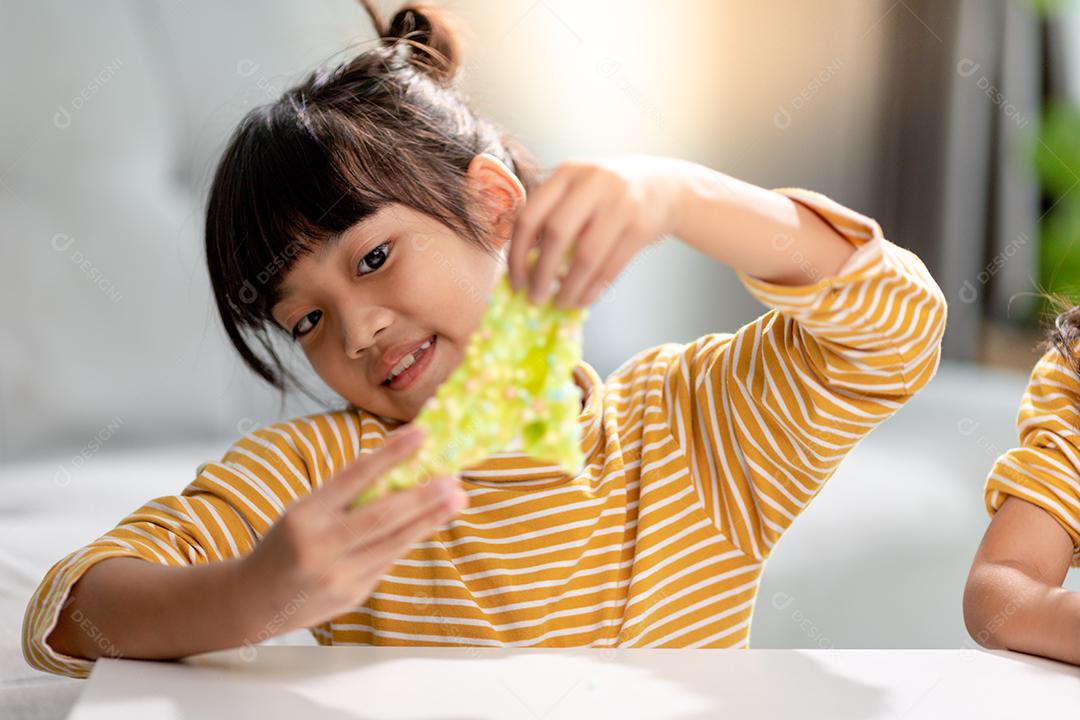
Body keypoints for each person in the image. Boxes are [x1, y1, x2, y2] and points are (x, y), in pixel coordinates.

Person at [24, 0, 946, 679]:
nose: (358, 327)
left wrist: (680, 195)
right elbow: (72, 613)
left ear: (494, 203)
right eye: (303, 320)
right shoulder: (332, 469)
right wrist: (259, 593)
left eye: (374, 256)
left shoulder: (690, 425)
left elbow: (895, 330)